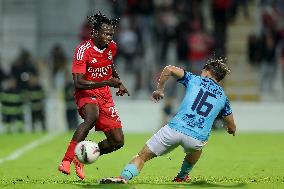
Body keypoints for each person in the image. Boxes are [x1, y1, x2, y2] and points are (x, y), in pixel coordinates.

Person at [100, 58, 236, 184]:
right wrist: (230, 129)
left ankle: (123, 177)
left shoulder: (194, 79)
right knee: (197, 149)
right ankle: (182, 176)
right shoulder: (223, 97)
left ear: (208, 72)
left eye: (202, 71)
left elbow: (169, 69)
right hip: (196, 139)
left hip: (174, 129)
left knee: (142, 156)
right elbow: (231, 125)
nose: (201, 73)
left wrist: (159, 89)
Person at [58, 12, 130, 180]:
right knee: (92, 116)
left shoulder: (112, 47)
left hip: (104, 95)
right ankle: (66, 160)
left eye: (111, 34)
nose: (109, 37)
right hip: (86, 91)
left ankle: (81, 157)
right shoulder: (83, 50)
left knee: (117, 142)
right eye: (105, 33)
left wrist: (118, 82)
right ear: (95, 33)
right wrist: (106, 83)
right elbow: (78, 82)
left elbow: (109, 65)